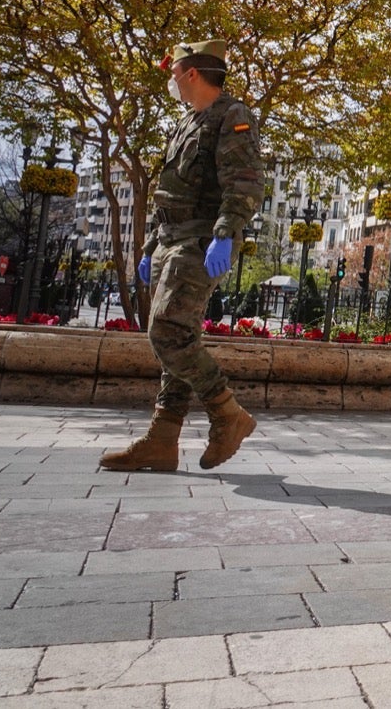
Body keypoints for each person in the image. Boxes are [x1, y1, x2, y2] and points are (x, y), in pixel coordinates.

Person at [100, 40, 264, 473]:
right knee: (179, 339)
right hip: (170, 240)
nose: (171, 79)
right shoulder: (187, 122)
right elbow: (172, 192)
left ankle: (227, 413)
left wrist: (226, 234)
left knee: (166, 331)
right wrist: (152, 245)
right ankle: (163, 438)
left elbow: (245, 183)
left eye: (174, 71)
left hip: (198, 241)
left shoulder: (233, 115)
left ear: (191, 72)